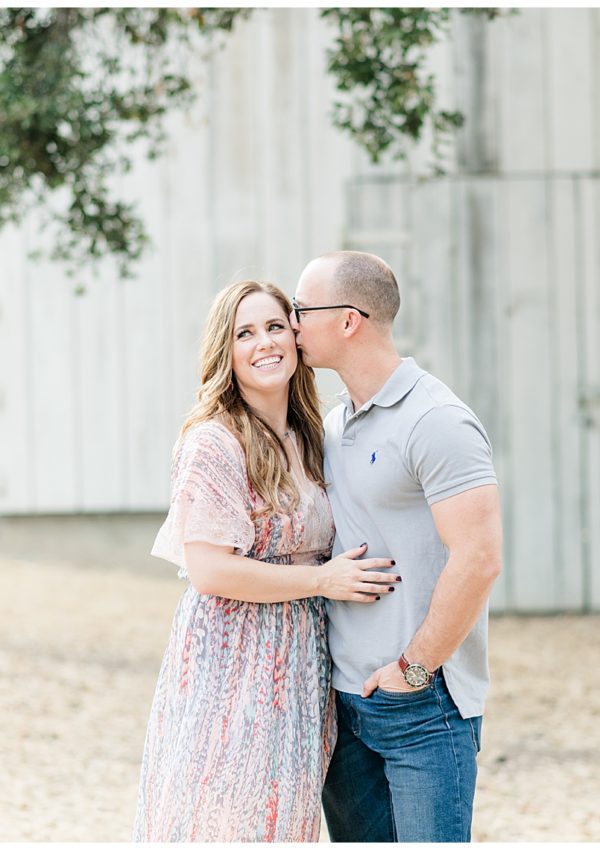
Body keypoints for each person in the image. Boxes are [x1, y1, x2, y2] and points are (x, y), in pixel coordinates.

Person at [133, 280, 396, 842]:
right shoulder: (214, 443)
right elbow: (209, 571)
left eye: (275, 326)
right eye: (244, 333)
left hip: (302, 663)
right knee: (226, 817)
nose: (264, 343)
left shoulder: (311, 436)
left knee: (283, 822)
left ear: (297, 338)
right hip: (231, 664)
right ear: (224, 353)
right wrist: (323, 579)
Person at [291, 251, 503, 843]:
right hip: (343, 703)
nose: (293, 323)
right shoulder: (336, 423)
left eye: (302, 309)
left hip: (422, 706)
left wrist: (414, 668)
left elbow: (480, 558)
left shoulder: (437, 421)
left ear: (349, 320)